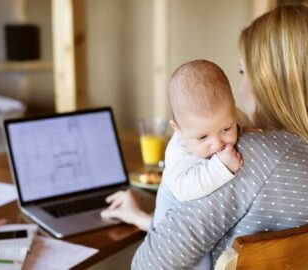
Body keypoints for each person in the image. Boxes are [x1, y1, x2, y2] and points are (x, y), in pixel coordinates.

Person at [129, 3, 308, 269]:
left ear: (269, 81)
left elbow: (150, 264)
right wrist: (145, 218)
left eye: (243, 72)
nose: (239, 86)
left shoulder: (252, 156)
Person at [101, 60, 249, 232]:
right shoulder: (178, 151)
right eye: (202, 137)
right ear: (177, 129)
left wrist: (248, 130)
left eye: (226, 129)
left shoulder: (228, 114)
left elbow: (243, 121)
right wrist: (222, 167)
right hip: (170, 229)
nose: (218, 143)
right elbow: (184, 190)